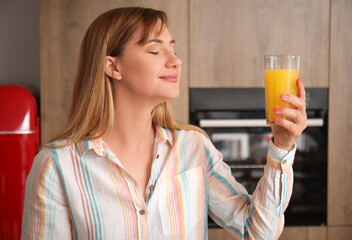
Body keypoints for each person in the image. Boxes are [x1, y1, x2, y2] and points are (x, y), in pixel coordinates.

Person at [21, 7, 307, 240]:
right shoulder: (56, 166)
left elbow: (257, 232)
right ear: (113, 67)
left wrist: (282, 146)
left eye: (173, 48)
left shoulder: (194, 147)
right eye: (155, 50)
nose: (176, 60)